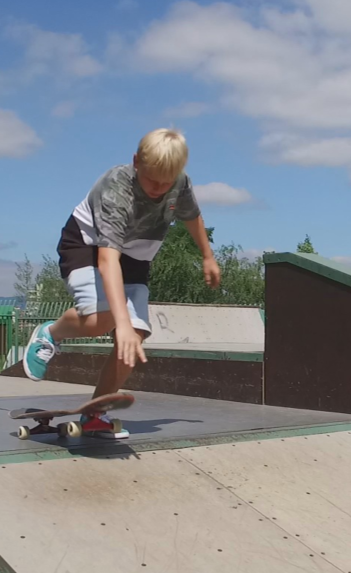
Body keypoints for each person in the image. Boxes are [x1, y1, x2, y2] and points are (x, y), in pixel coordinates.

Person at [22, 129, 221, 433]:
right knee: (102, 319)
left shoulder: (179, 183)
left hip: (136, 258)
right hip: (87, 247)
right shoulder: (116, 188)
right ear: (136, 162)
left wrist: (207, 256)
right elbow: (107, 261)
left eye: (166, 183)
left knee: (134, 340)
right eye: (152, 180)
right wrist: (121, 322)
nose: (158, 189)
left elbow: (192, 216)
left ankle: (95, 413)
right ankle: (50, 333)